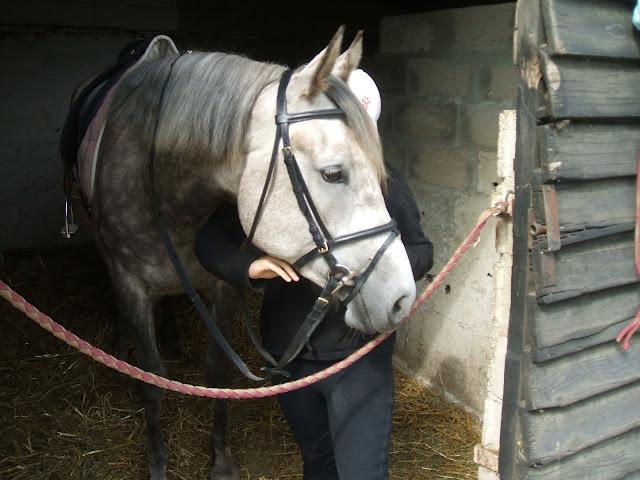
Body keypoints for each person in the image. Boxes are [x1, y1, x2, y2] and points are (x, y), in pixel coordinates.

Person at [195, 161, 433, 480]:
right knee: (318, 463)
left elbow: (421, 251)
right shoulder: (276, 182)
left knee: (363, 474)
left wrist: (377, 267)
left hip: (358, 356)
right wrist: (248, 267)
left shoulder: (377, 174)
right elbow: (209, 240)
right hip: (290, 352)